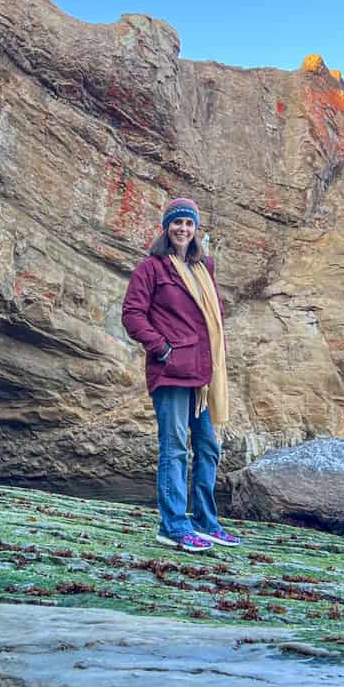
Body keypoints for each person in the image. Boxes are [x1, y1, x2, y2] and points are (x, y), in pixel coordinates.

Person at [120, 197, 242, 553]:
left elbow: (210, 319)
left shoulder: (204, 268)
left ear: (196, 229)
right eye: (177, 223)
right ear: (166, 227)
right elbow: (132, 314)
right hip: (171, 372)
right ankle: (172, 525)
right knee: (174, 448)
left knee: (208, 447)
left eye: (189, 223)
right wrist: (162, 349)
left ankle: (205, 521)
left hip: (203, 373)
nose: (183, 229)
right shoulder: (152, 269)